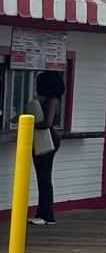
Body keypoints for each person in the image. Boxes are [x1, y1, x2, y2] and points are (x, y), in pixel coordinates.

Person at [26, 70, 65, 225]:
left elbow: (47, 123)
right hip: (48, 138)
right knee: (44, 177)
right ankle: (45, 214)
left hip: (47, 138)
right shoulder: (53, 100)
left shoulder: (52, 101)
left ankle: (45, 215)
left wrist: (29, 125)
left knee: (44, 177)